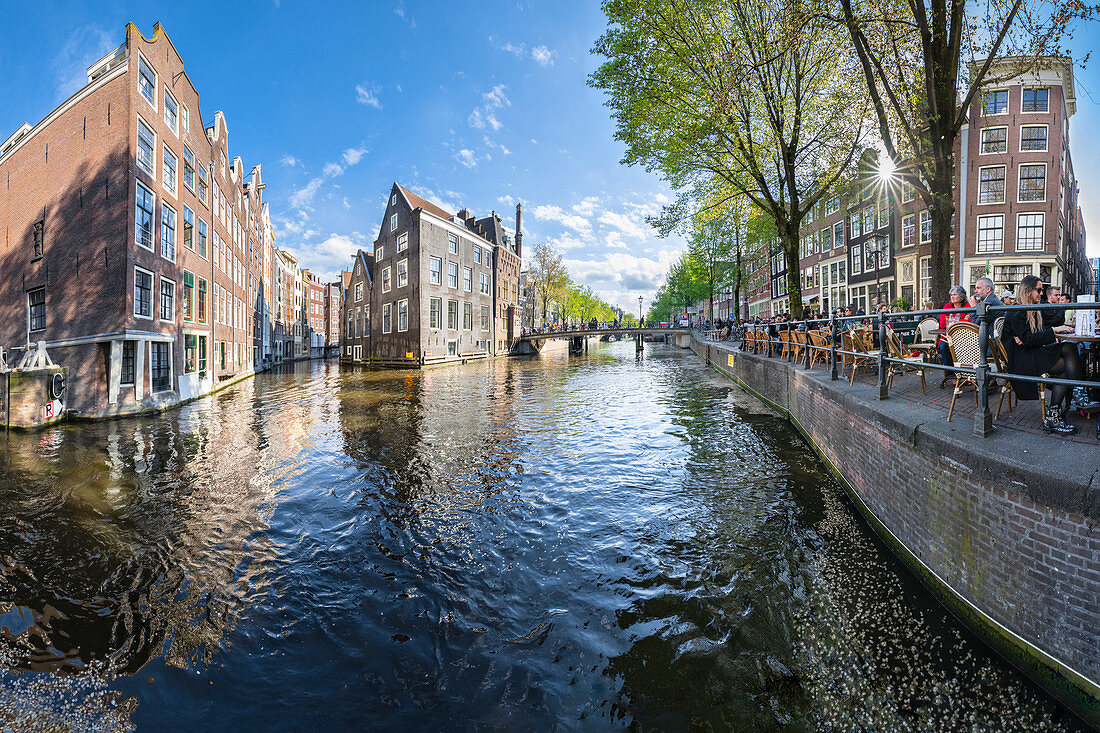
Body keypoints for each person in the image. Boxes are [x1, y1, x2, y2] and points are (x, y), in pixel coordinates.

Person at [1001, 275, 1097, 435]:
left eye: (1042, 290)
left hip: (1030, 351)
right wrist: (1052, 331)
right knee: (1067, 354)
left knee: (1069, 348)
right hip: (1021, 359)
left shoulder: (1032, 309)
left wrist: (1037, 336)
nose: (1041, 293)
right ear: (1028, 290)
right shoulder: (1017, 310)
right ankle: (1075, 396)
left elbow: (1032, 336)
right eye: (1038, 290)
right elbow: (1030, 338)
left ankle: (1058, 412)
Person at [938, 285, 972, 374]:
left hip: (964, 336)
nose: (952, 297)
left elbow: (970, 321)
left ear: (961, 297)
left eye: (954, 295)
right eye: (951, 295)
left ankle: (966, 374)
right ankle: (951, 375)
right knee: (944, 347)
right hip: (948, 336)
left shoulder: (968, 306)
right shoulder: (947, 306)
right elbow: (942, 324)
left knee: (967, 349)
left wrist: (952, 321)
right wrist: (962, 320)